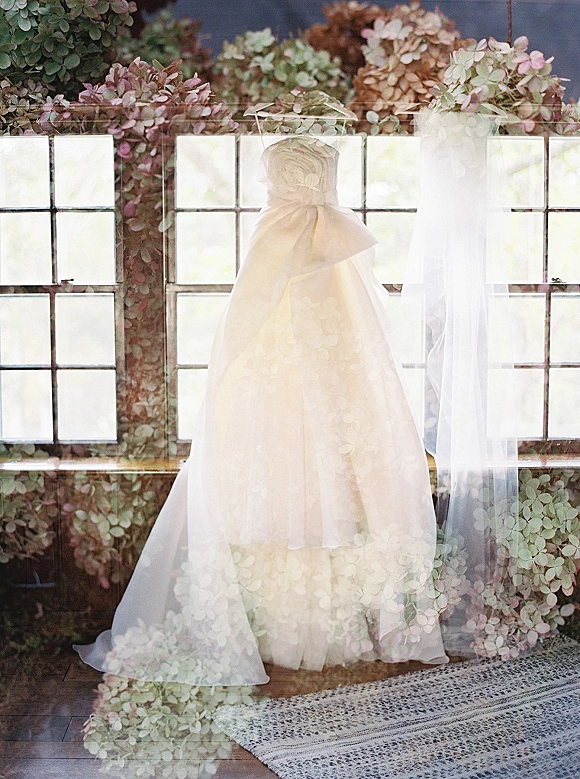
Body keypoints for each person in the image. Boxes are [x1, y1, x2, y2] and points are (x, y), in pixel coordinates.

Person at [75, 133, 446, 686]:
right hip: (291, 278)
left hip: (331, 284)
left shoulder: (300, 164)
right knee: (279, 422)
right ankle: (273, 623)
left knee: (336, 416)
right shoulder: (298, 158)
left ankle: (311, 624)